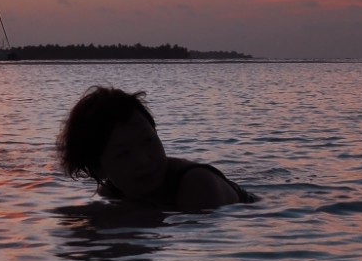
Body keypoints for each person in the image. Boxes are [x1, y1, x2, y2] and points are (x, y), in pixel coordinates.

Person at [55, 86, 254, 210]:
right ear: (97, 167)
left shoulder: (198, 185)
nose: (143, 159)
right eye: (124, 153)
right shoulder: (112, 192)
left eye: (149, 141)